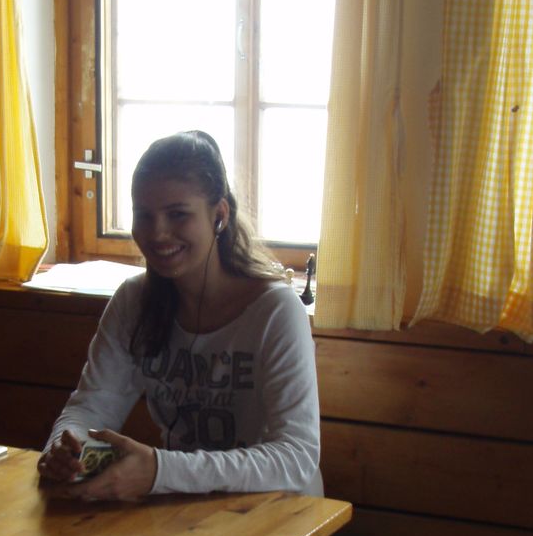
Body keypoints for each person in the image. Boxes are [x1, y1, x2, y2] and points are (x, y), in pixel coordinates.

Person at [37, 130, 322, 501]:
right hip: (184, 506)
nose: (158, 233)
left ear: (219, 215)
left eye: (178, 214)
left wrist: (159, 471)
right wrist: (64, 449)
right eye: (144, 215)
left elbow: (296, 458)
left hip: (281, 512)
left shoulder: (275, 310)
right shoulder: (133, 301)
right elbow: (91, 407)